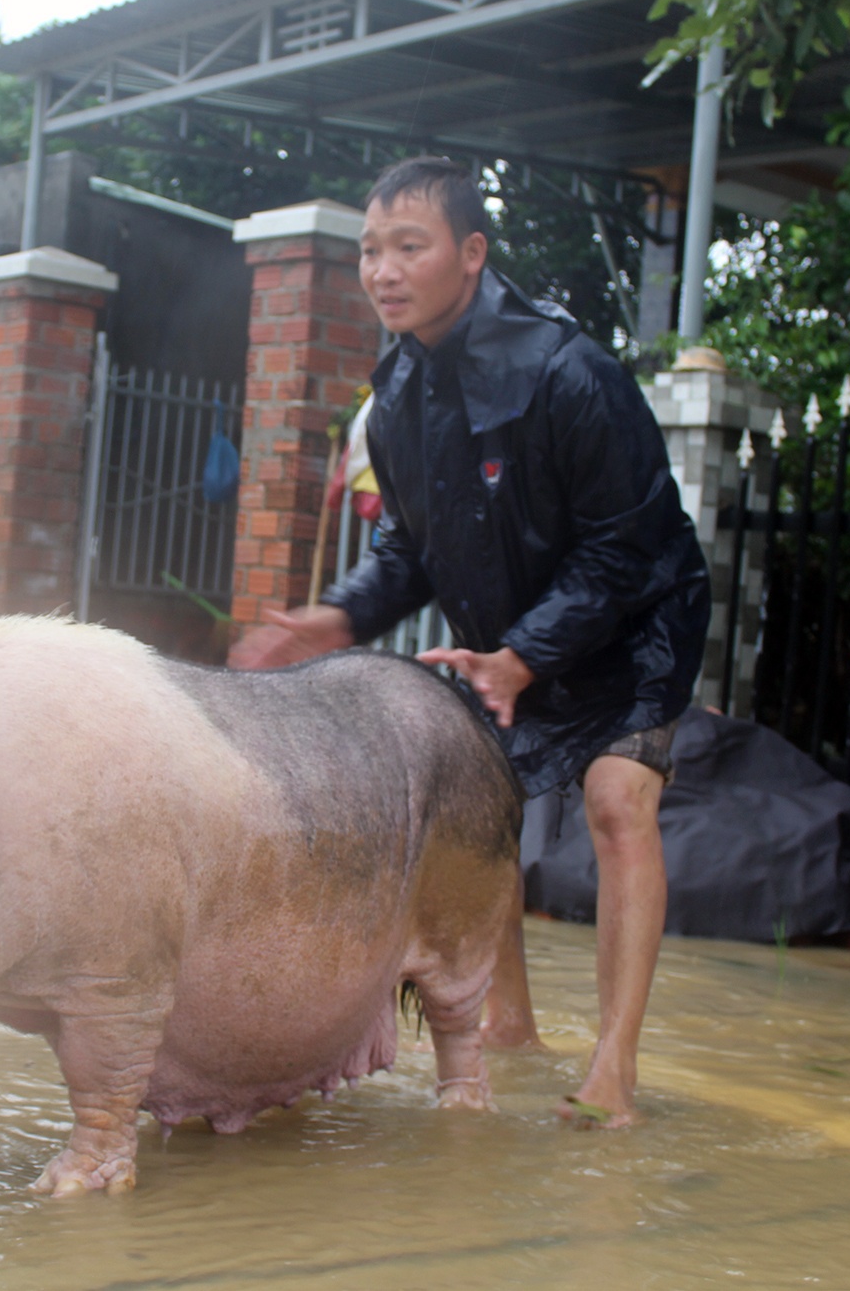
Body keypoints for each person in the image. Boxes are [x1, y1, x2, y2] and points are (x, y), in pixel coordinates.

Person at [230, 157, 710, 1128]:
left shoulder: (572, 373)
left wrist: (528, 651)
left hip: (635, 623)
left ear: (472, 254)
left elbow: (626, 547)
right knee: (487, 813)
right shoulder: (397, 390)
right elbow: (410, 543)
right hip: (508, 638)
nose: (383, 271)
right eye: (371, 250)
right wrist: (343, 612)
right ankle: (511, 1018)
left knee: (618, 802)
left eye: (410, 246)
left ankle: (614, 1062)